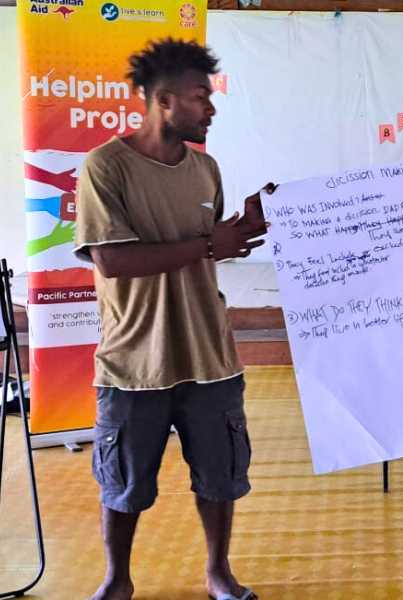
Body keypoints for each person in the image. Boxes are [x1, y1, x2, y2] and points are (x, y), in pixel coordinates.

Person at [75, 38, 273, 600]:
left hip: (210, 355)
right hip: (134, 361)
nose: (211, 108)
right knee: (123, 484)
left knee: (221, 474)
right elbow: (112, 261)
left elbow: (208, 247)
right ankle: (116, 580)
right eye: (200, 97)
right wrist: (213, 242)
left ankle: (218, 573)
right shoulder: (105, 167)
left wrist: (241, 228)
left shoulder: (206, 169)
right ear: (163, 101)